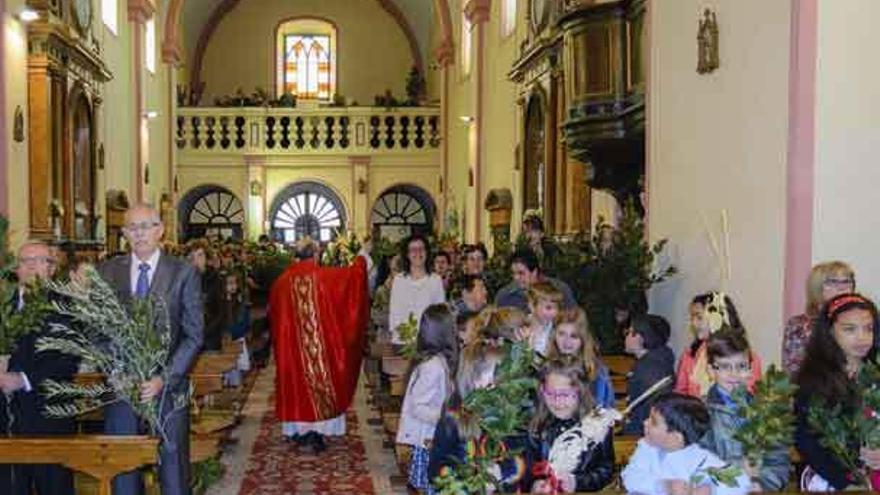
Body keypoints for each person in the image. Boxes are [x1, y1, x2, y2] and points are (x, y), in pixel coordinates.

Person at [98, 203, 204, 495]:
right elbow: (96, 332)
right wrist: (118, 373)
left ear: (160, 230)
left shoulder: (183, 273)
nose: (139, 233)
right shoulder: (107, 271)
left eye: (146, 226)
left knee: (172, 471)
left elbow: (194, 335)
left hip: (168, 388)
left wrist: (163, 379)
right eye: (132, 228)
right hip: (123, 389)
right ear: (124, 234)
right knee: (124, 472)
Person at [270, 236, 371, 452]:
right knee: (319, 382)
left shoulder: (280, 282)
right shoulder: (324, 277)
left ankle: (299, 431)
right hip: (318, 351)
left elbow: (276, 321)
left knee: (297, 387)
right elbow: (354, 279)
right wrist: (362, 257)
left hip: (291, 352)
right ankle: (315, 432)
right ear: (316, 254)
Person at [0, 241, 78, 495]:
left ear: (52, 268)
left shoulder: (66, 307)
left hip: (48, 417)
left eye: (40, 260)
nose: (32, 266)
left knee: (53, 487)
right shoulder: (4, 305)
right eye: (25, 261)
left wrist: (23, 379)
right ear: (17, 269)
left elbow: (68, 362)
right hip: (6, 420)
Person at [795, 293, 880, 491]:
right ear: (830, 332)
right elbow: (807, 442)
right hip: (830, 474)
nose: (862, 337)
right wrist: (845, 483)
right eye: (850, 329)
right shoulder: (812, 381)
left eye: (869, 329)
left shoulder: (875, 376)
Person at [699, 330, 789, 491]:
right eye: (725, 366)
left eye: (741, 366)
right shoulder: (701, 412)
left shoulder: (766, 411)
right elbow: (697, 463)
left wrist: (761, 485)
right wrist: (738, 471)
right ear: (711, 371)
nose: (734, 374)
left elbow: (778, 461)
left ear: (750, 369)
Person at [621, 392, 750, 495]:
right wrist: (663, 486)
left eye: (653, 422)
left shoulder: (701, 459)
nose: (645, 422)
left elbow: (741, 482)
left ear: (676, 438)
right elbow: (630, 477)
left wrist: (709, 489)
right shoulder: (647, 447)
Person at [525, 360, 615, 493]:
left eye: (565, 395)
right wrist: (534, 484)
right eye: (550, 393)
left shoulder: (597, 425)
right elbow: (529, 469)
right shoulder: (537, 426)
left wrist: (577, 482)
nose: (557, 402)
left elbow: (606, 470)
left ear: (581, 392)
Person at [396, 304, 458, 494]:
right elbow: (418, 406)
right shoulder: (433, 366)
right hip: (428, 439)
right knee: (433, 487)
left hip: (430, 436)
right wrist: (444, 416)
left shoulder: (436, 361)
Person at [674, 292, 761, 398]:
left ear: (719, 317)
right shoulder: (689, 356)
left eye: (699, 317)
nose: (693, 323)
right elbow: (680, 395)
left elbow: (751, 398)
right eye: (692, 318)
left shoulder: (747, 358)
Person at [781, 261, 855, 377]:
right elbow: (794, 372)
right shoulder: (799, 326)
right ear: (816, 286)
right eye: (833, 282)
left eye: (847, 281)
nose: (842, 287)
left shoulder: (861, 321)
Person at [546, 308, 614, 408]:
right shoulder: (546, 368)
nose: (566, 342)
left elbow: (605, 410)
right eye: (561, 334)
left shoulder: (597, 372)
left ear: (583, 338)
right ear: (554, 335)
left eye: (574, 336)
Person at [623, 313, 675, 435]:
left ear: (640, 338)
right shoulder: (656, 362)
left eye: (629, 333)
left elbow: (643, 415)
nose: (625, 337)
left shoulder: (648, 371)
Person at [389, 234, 445, 345]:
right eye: (413, 250)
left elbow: (440, 314)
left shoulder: (435, 280)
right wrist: (401, 335)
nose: (418, 253)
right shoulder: (399, 280)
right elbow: (394, 313)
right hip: (402, 341)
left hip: (429, 342)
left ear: (427, 252)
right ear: (407, 254)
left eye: (421, 249)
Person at [494, 249, 575, 312]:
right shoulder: (505, 296)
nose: (516, 278)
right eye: (513, 273)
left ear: (534, 272)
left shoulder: (560, 289)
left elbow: (574, 320)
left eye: (521, 273)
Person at [525, 281, 563, 357]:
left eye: (557, 308)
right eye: (548, 308)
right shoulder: (521, 324)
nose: (554, 312)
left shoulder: (556, 329)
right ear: (532, 306)